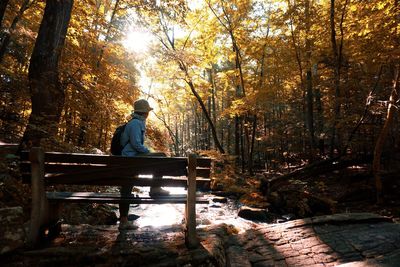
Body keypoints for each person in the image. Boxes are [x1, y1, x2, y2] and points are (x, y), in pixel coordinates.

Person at [118, 99, 170, 230]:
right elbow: (136, 144)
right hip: (131, 159)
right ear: (145, 112)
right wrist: (148, 152)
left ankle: (123, 221)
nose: (148, 114)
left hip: (127, 159)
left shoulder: (135, 122)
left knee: (126, 187)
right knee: (161, 157)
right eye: (148, 111)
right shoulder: (136, 124)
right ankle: (155, 188)